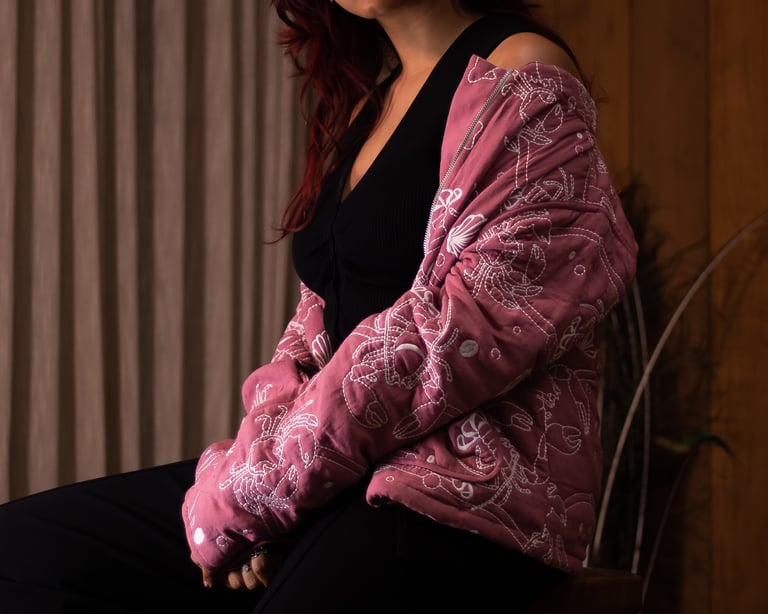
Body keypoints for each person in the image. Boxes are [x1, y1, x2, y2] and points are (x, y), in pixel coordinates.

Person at [0, 1, 638, 612]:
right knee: (24, 551)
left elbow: (464, 331)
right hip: (332, 470)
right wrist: (257, 481)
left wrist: (263, 492)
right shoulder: (370, 108)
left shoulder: (524, 72)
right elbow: (312, 331)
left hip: (467, 490)